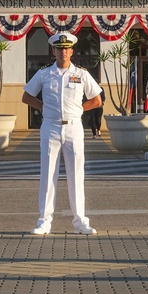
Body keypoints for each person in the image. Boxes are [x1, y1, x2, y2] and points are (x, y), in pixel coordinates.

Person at [22, 32, 102, 235]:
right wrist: (43, 108)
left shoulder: (82, 74)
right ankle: (44, 221)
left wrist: (79, 109)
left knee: (76, 175)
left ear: (72, 51)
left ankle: (80, 221)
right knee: (48, 174)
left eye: (66, 48)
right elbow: (27, 96)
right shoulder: (44, 74)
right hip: (50, 126)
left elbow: (97, 99)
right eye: (59, 48)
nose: (63, 52)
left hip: (74, 127)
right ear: (53, 51)